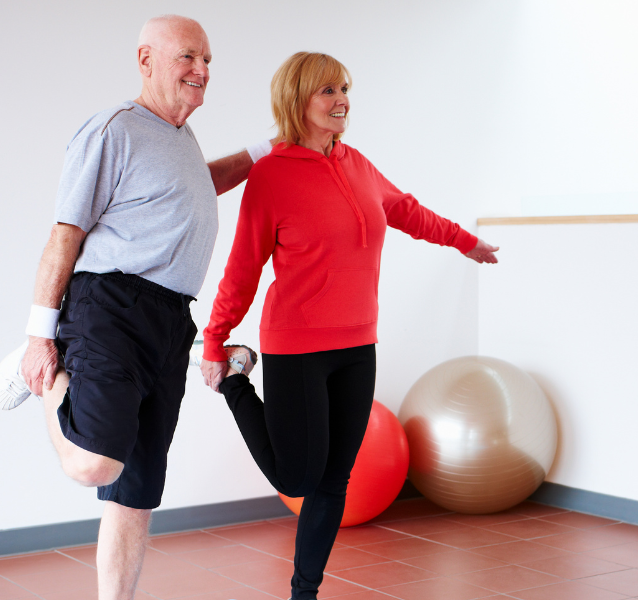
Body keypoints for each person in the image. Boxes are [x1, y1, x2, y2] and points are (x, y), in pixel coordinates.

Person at [0, 15, 272, 600]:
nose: (202, 70)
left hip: (170, 319)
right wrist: (42, 331)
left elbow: (202, 180)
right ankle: (38, 367)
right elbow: (64, 234)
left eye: (208, 60)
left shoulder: (181, 139)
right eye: (187, 57)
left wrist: (270, 149)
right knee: (95, 464)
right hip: (109, 306)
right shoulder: (114, 130)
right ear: (146, 60)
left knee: (136, 488)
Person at [200, 51, 499, 600]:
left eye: (344, 90)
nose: (342, 102)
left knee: (334, 480)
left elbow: (405, 210)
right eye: (328, 92)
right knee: (296, 479)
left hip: (358, 345)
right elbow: (242, 266)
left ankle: (304, 592)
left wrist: (465, 241)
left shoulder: (357, 164)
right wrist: (217, 340)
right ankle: (239, 379)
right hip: (295, 347)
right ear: (298, 99)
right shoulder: (270, 175)